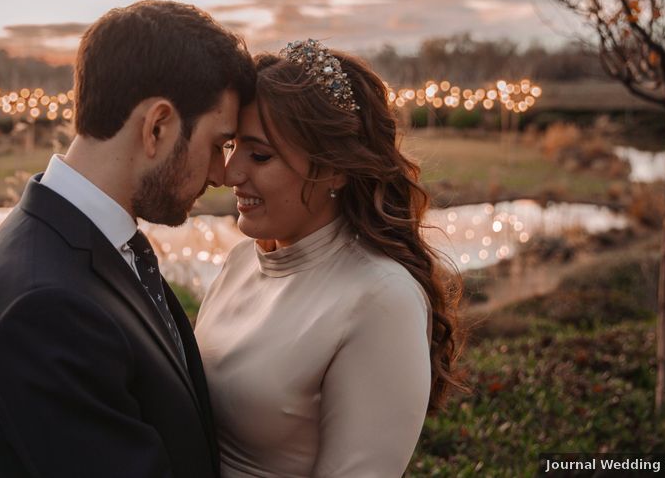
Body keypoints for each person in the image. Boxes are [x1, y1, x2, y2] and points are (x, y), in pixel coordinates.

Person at [0, 0, 255, 477]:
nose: (223, 173)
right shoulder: (46, 308)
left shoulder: (88, 243)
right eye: (218, 144)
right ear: (156, 127)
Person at [194, 39, 466, 478]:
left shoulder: (381, 298)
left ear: (334, 168)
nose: (231, 173)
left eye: (260, 155)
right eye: (232, 147)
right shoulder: (241, 262)